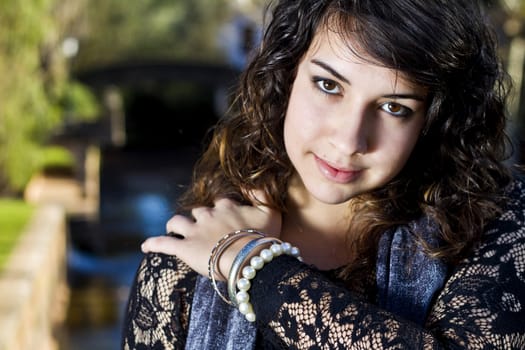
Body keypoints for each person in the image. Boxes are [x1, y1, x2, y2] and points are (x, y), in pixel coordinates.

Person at [121, 0, 525, 348]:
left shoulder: (493, 228)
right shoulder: (182, 264)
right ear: (286, 74)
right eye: (328, 85)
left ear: (434, 120)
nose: (350, 140)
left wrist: (250, 264)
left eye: (394, 108)